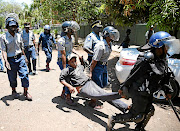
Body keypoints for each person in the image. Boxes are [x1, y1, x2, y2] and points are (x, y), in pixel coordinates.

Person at [107, 31, 173, 131]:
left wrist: (168, 91)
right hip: (139, 90)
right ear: (159, 46)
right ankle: (113, 119)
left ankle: (139, 128)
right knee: (136, 116)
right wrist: (124, 87)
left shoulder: (162, 58)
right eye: (166, 46)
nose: (168, 48)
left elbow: (165, 75)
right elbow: (133, 74)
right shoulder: (146, 59)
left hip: (149, 91)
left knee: (149, 111)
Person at [59, 53, 129, 112]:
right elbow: (61, 79)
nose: (74, 63)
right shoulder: (67, 70)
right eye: (72, 62)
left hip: (90, 83)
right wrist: (69, 86)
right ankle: (120, 95)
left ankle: (125, 107)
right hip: (83, 88)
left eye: (75, 61)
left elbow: (84, 65)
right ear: (68, 62)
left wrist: (81, 60)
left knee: (104, 94)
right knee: (101, 96)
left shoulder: (79, 67)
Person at [0, 15, 32, 101]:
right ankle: (13, 91)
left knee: (25, 75)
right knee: (12, 77)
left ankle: (26, 92)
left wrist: (25, 57)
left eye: (14, 26)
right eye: (11, 26)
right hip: (10, 60)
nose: (13, 28)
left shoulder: (19, 35)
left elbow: (21, 47)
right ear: (7, 27)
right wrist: (6, 61)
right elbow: (4, 50)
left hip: (20, 58)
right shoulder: (3, 37)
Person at [89, 26, 120, 108]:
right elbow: (94, 61)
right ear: (106, 35)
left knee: (104, 83)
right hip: (97, 66)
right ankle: (93, 102)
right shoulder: (100, 46)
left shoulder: (110, 44)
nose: (113, 36)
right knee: (97, 85)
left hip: (104, 66)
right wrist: (91, 72)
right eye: (111, 35)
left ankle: (96, 97)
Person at [57, 21, 81, 105]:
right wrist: (64, 68)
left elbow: (71, 49)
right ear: (66, 30)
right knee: (68, 78)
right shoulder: (61, 41)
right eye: (72, 29)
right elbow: (63, 55)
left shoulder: (71, 38)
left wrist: (78, 54)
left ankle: (63, 93)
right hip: (63, 61)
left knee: (69, 77)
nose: (73, 30)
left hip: (70, 60)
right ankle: (68, 98)